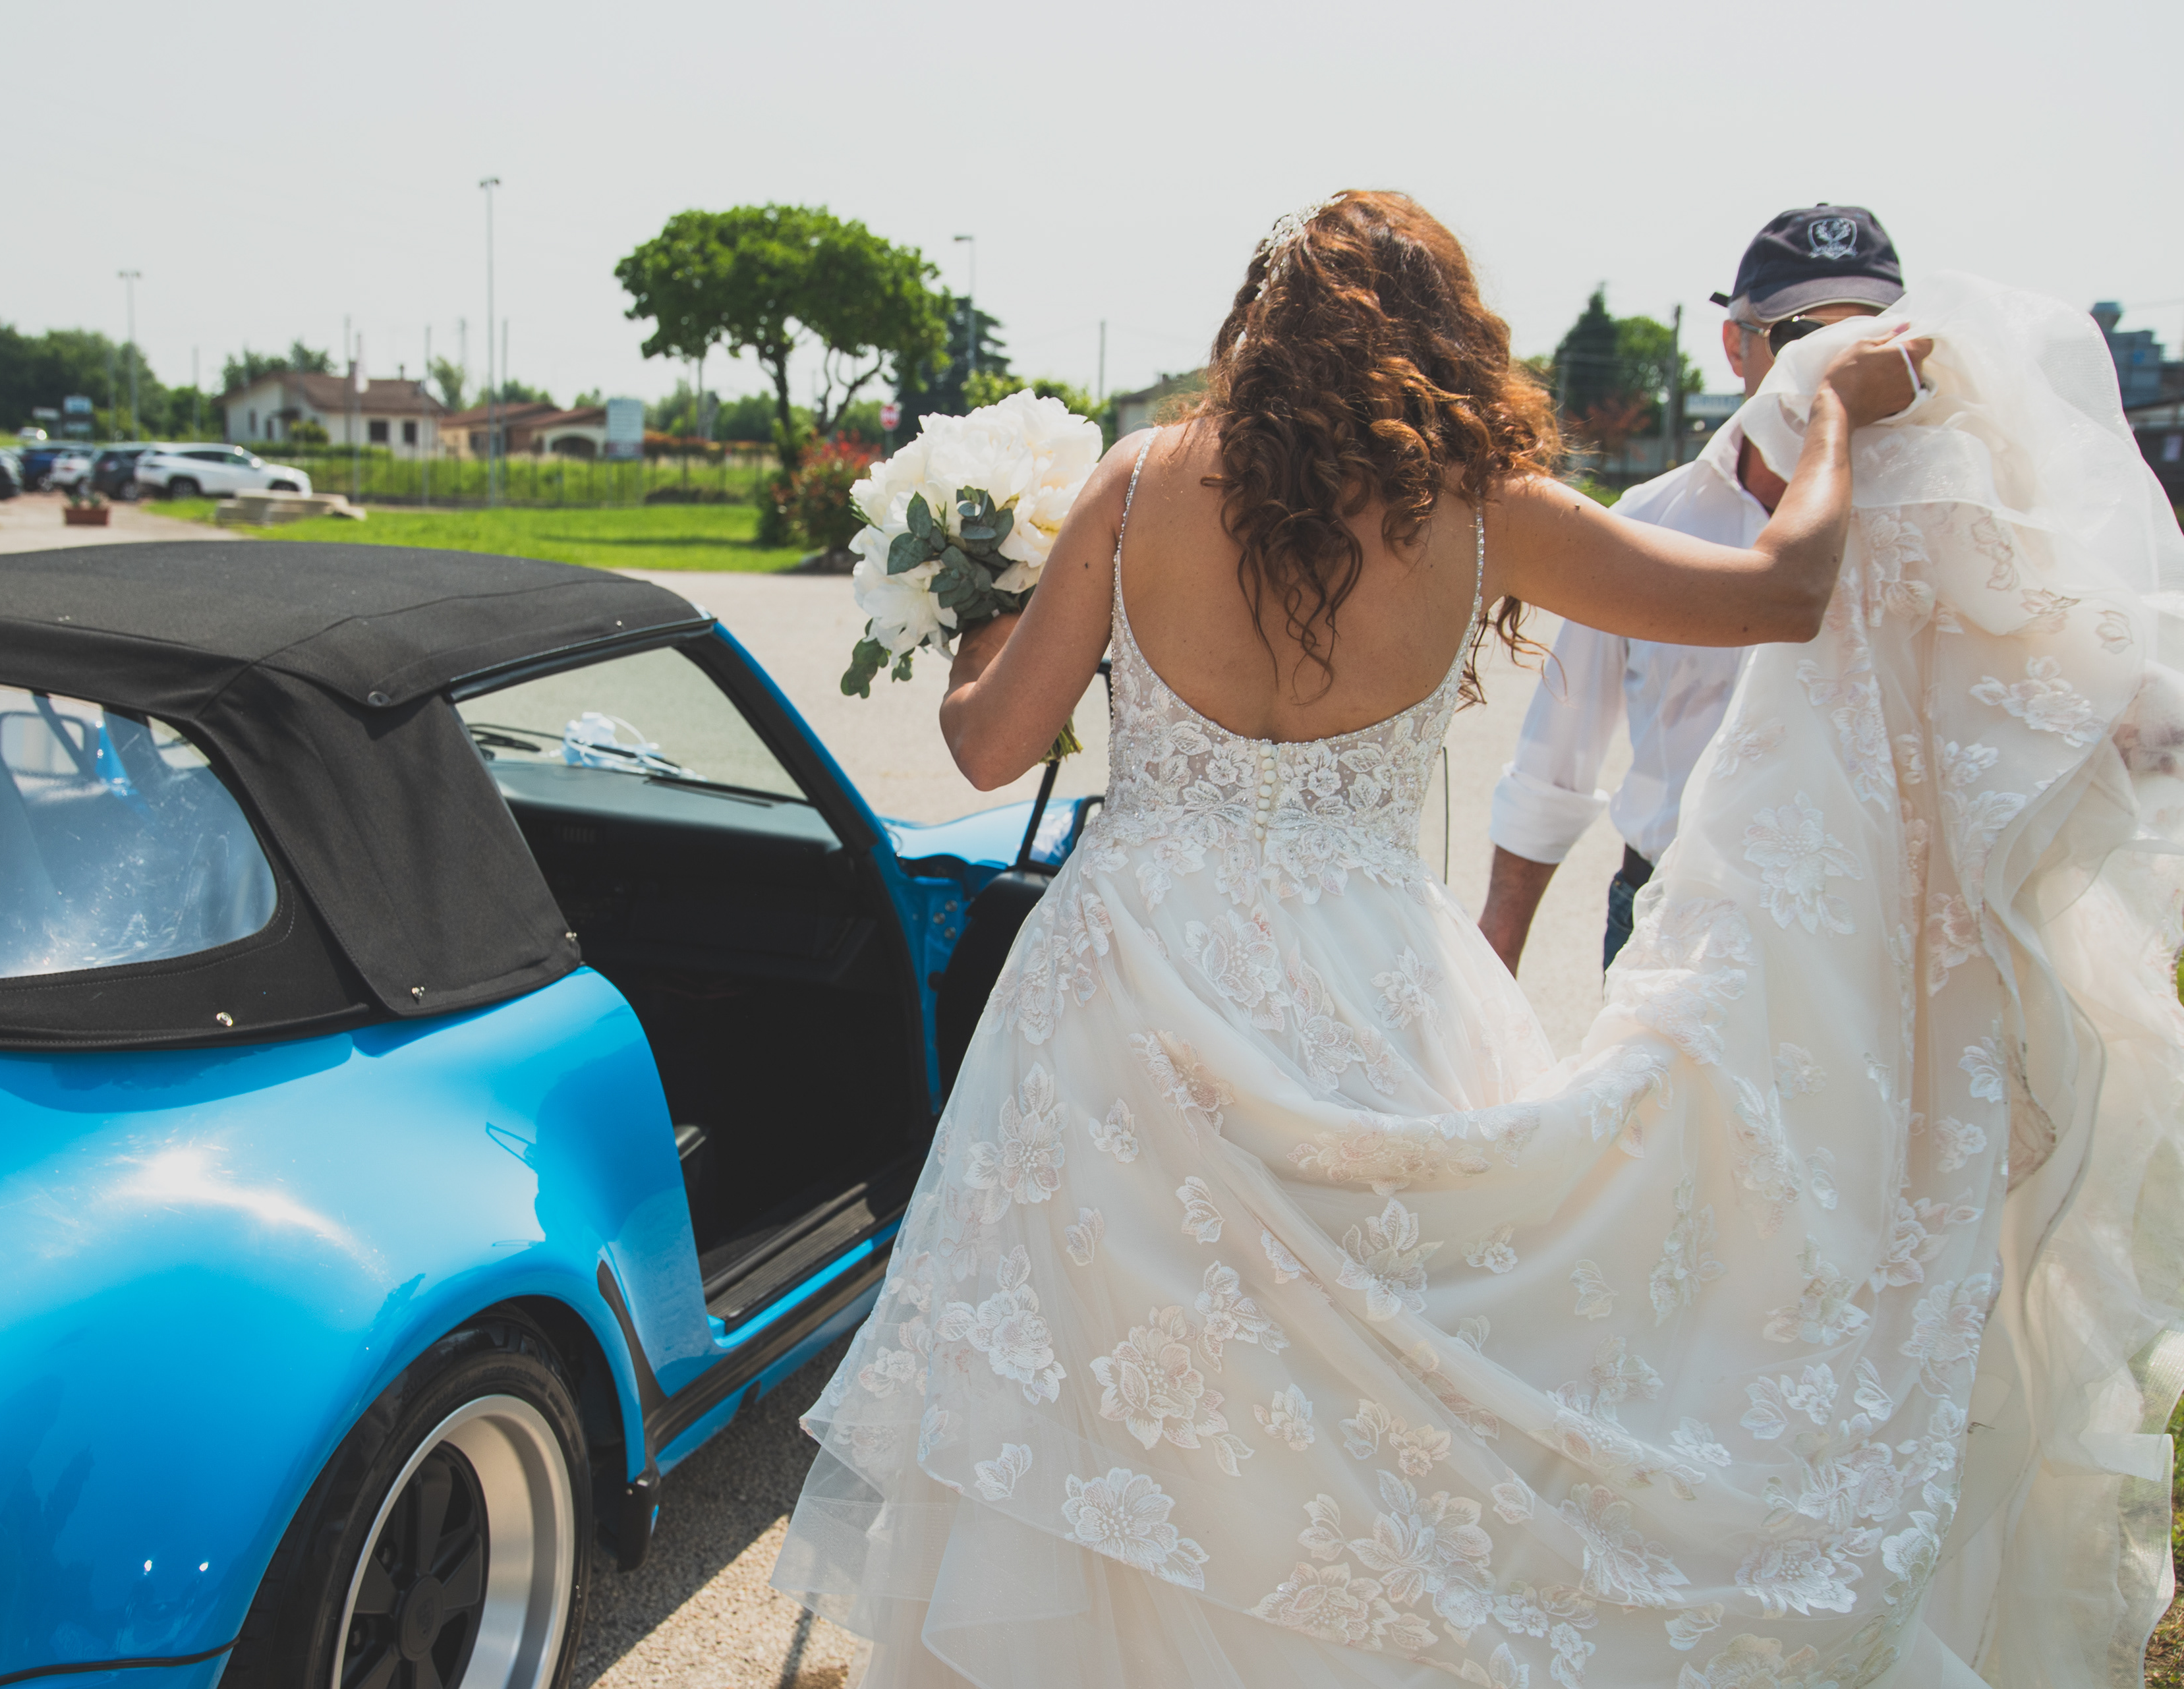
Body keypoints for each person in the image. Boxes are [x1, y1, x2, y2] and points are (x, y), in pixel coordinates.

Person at [776, 191, 2184, 1688]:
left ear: (1254, 332)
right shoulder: (1486, 510)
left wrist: (988, 613)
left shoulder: (1135, 486)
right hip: (1370, 976)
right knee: (1384, 1392)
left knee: (1114, 1396)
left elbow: (987, 746)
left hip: (1119, 984)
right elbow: (1785, 592)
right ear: (1444, 337)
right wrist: (1830, 412)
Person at [1478, 204, 1909, 975]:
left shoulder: (1941, 529)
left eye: (1866, 337)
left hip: (1867, 941)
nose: (1834, 366)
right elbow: (1557, 752)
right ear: (1736, 345)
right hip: (1664, 921)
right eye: (1803, 336)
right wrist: (1498, 949)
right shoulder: (1652, 519)